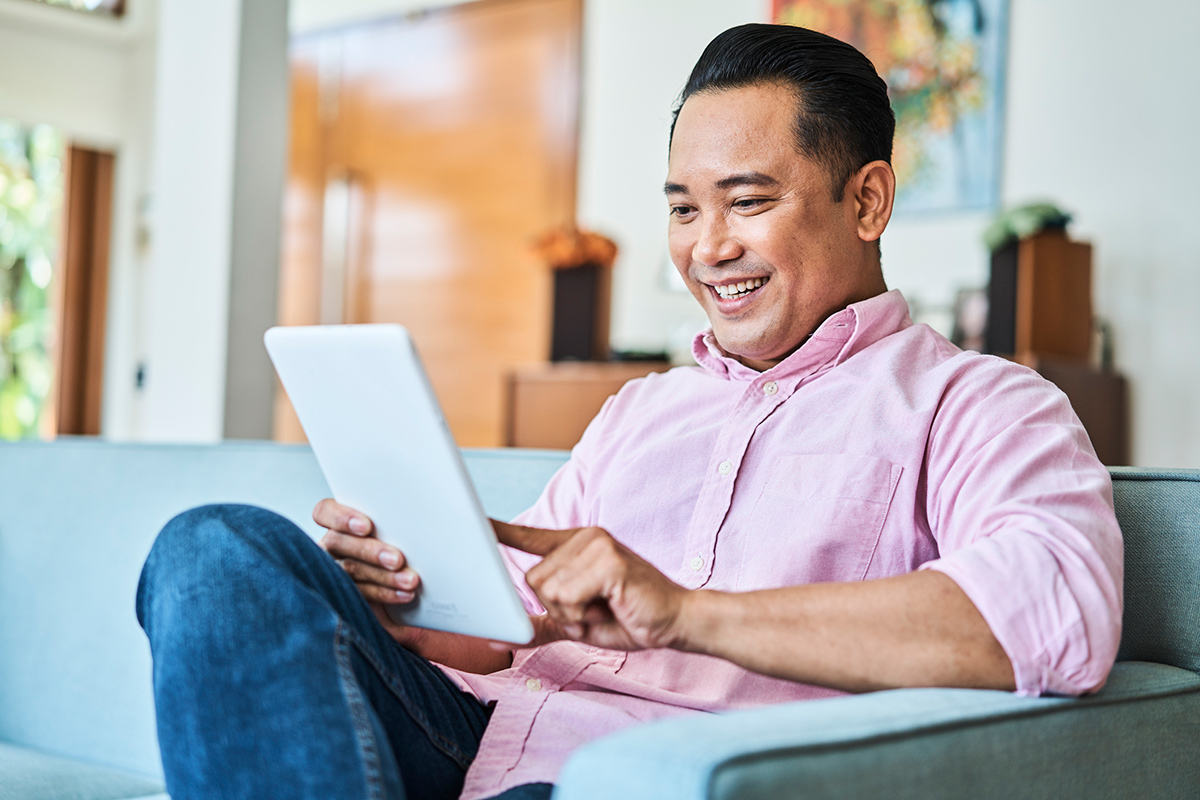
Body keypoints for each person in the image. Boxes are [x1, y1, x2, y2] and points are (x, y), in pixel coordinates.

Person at [136, 23, 1123, 800]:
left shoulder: (977, 404)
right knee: (214, 550)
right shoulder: (641, 410)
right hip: (478, 732)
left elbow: (1055, 614)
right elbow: (507, 626)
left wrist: (689, 615)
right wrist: (411, 598)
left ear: (866, 202)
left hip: (650, 775)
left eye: (747, 201)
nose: (708, 248)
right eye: (685, 209)